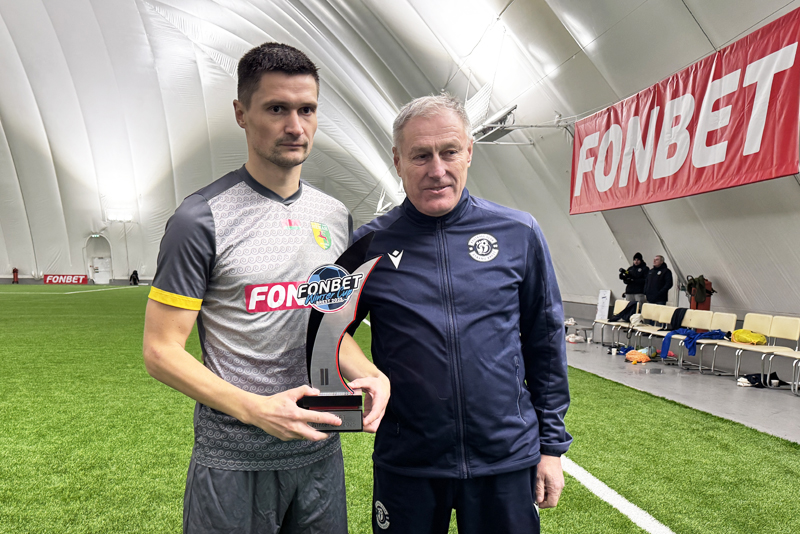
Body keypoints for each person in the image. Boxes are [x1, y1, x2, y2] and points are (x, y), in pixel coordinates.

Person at [142, 42, 389, 534]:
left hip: (319, 453)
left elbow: (326, 329)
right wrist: (256, 411)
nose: (295, 126)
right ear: (241, 113)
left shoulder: (334, 216)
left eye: (307, 110)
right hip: (233, 460)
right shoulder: (200, 219)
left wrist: (371, 374)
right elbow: (160, 351)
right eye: (277, 109)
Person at [347, 94, 571, 534]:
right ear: (397, 160)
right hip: (408, 461)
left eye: (449, 151)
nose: (437, 170)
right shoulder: (367, 245)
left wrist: (551, 449)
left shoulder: (519, 232)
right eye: (420, 155)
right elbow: (325, 335)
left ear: (469, 151)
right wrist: (364, 380)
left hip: (505, 459)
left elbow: (545, 345)